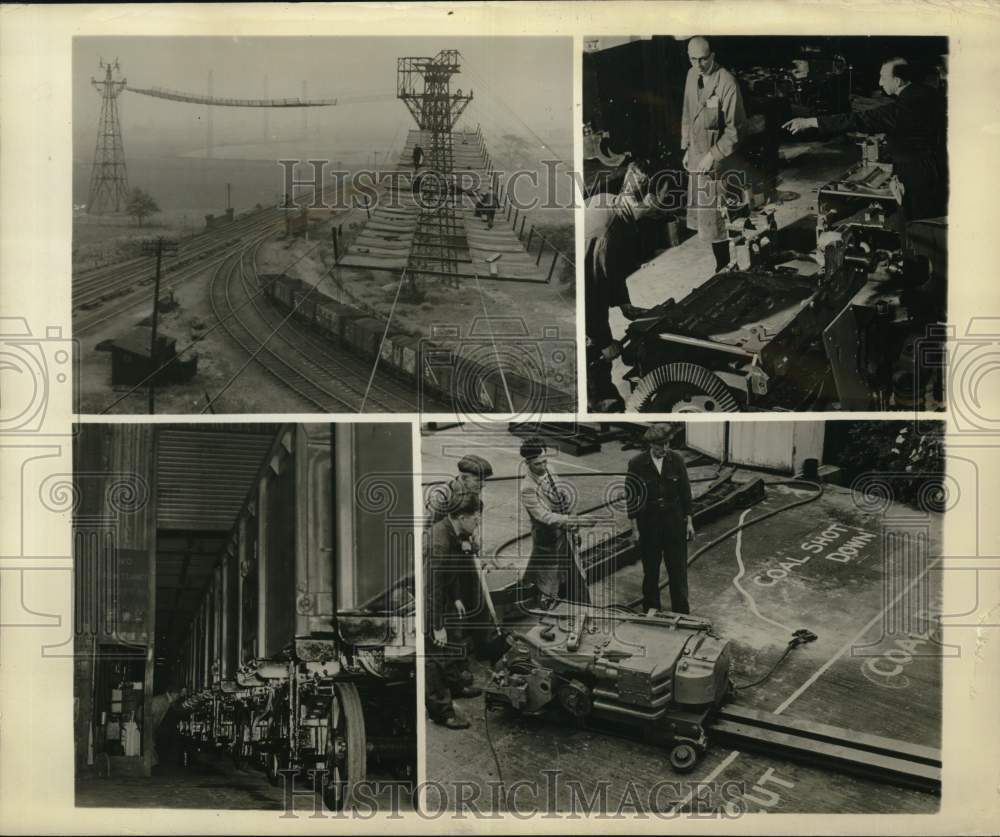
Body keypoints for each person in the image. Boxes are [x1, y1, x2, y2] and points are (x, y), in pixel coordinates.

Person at [783, 57, 947, 225]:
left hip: (920, 180)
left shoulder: (904, 108)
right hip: (940, 171)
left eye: (883, 77)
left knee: (919, 228)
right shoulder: (928, 93)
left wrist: (809, 122)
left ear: (897, 81)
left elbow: (859, 119)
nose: (880, 83)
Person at [584, 162, 660, 412]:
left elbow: (609, 272)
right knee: (593, 358)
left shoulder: (610, 201)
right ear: (644, 200)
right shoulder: (608, 233)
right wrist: (603, 341)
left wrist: (623, 302)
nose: (653, 214)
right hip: (580, 301)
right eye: (653, 207)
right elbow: (591, 293)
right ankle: (598, 404)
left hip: (586, 287)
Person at [424, 490, 484, 729]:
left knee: (451, 643)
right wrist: (437, 625)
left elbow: (453, 570)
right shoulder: (438, 542)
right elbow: (432, 589)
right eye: (475, 517)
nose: (478, 521)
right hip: (428, 599)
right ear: (460, 516)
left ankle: (456, 686)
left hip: (443, 594)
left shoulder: (456, 532)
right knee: (434, 656)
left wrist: (457, 597)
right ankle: (442, 711)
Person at [681, 36, 748, 245]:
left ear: (713, 56)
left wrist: (713, 155)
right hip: (696, 157)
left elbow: (735, 130)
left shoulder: (727, 83)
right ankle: (722, 265)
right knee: (706, 220)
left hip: (719, 162)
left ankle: (730, 265)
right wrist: (686, 146)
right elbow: (687, 113)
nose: (698, 65)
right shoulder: (691, 75)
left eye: (703, 59)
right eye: (693, 59)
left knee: (723, 222)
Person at [625, 424, 695, 614]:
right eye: (659, 446)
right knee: (651, 571)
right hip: (650, 525)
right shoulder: (637, 464)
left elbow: (685, 493)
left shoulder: (677, 460)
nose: (663, 449)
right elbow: (632, 499)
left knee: (678, 571)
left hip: (674, 523)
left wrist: (689, 522)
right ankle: (651, 608)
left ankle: (681, 611)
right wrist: (635, 529)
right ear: (650, 445)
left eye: (666, 444)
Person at [518, 437, 595, 605]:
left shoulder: (550, 470)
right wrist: (578, 520)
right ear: (527, 463)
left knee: (574, 576)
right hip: (549, 540)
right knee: (548, 580)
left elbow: (562, 498)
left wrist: (573, 519)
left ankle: (577, 606)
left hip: (565, 535)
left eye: (545, 461)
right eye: (538, 464)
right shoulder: (527, 488)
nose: (543, 467)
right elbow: (545, 516)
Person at [425, 454, 493, 524]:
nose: (484, 484)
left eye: (484, 480)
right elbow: (429, 530)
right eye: (478, 480)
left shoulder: (474, 497)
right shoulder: (441, 497)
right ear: (464, 478)